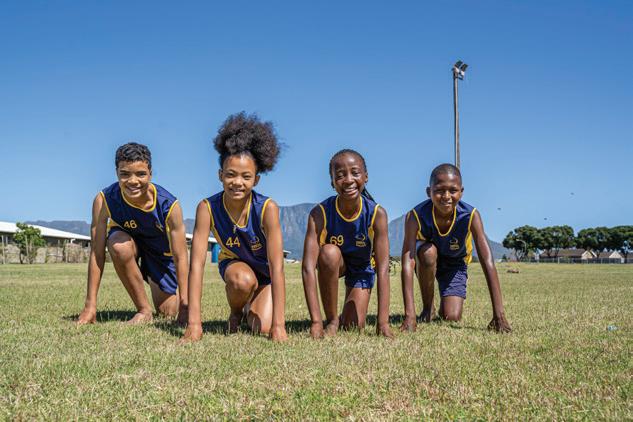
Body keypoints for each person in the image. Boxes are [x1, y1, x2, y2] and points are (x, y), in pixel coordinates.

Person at [184, 112, 288, 342]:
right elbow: (197, 266)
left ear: (256, 180)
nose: (237, 182)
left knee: (262, 328)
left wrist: (279, 326)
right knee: (241, 280)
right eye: (230, 175)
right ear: (220, 175)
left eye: (246, 177)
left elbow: (277, 267)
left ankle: (254, 303)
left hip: (265, 275)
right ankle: (236, 311)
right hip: (237, 270)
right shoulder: (207, 208)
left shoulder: (267, 208)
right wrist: (194, 324)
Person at [77, 142, 189, 325]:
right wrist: (90, 306)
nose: (133, 181)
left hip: (159, 254)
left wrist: (185, 305)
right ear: (117, 173)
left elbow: (181, 256)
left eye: (141, 174)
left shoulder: (168, 205)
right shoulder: (105, 200)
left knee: (168, 311)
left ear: (150, 173)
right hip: (127, 245)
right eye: (125, 174)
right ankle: (143, 310)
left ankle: (153, 278)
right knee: (118, 245)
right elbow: (97, 253)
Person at [399, 163, 511, 333]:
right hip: (427, 261)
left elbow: (487, 261)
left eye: (453, 190)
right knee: (429, 252)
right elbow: (408, 261)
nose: (446, 196)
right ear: (429, 192)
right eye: (439, 190)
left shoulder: (470, 215)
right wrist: (409, 315)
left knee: (451, 316)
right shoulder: (415, 216)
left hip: (455, 264)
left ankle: (444, 305)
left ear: (461, 191)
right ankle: (428, 309)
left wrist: (499, 315)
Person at [302, 149, 393, 339]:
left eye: (355, 173)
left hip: (361, 269)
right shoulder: (320, 213)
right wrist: (316, 322)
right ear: (332, 182)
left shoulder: (377, 214)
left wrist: (383, 322)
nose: (349, 180)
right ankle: (332, 320)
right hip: (336, 263)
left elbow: (383, 269)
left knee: (352, 326)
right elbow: (308, 267)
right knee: (329, 253)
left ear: (365, 177)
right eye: (340, 175)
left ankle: (346, 314)